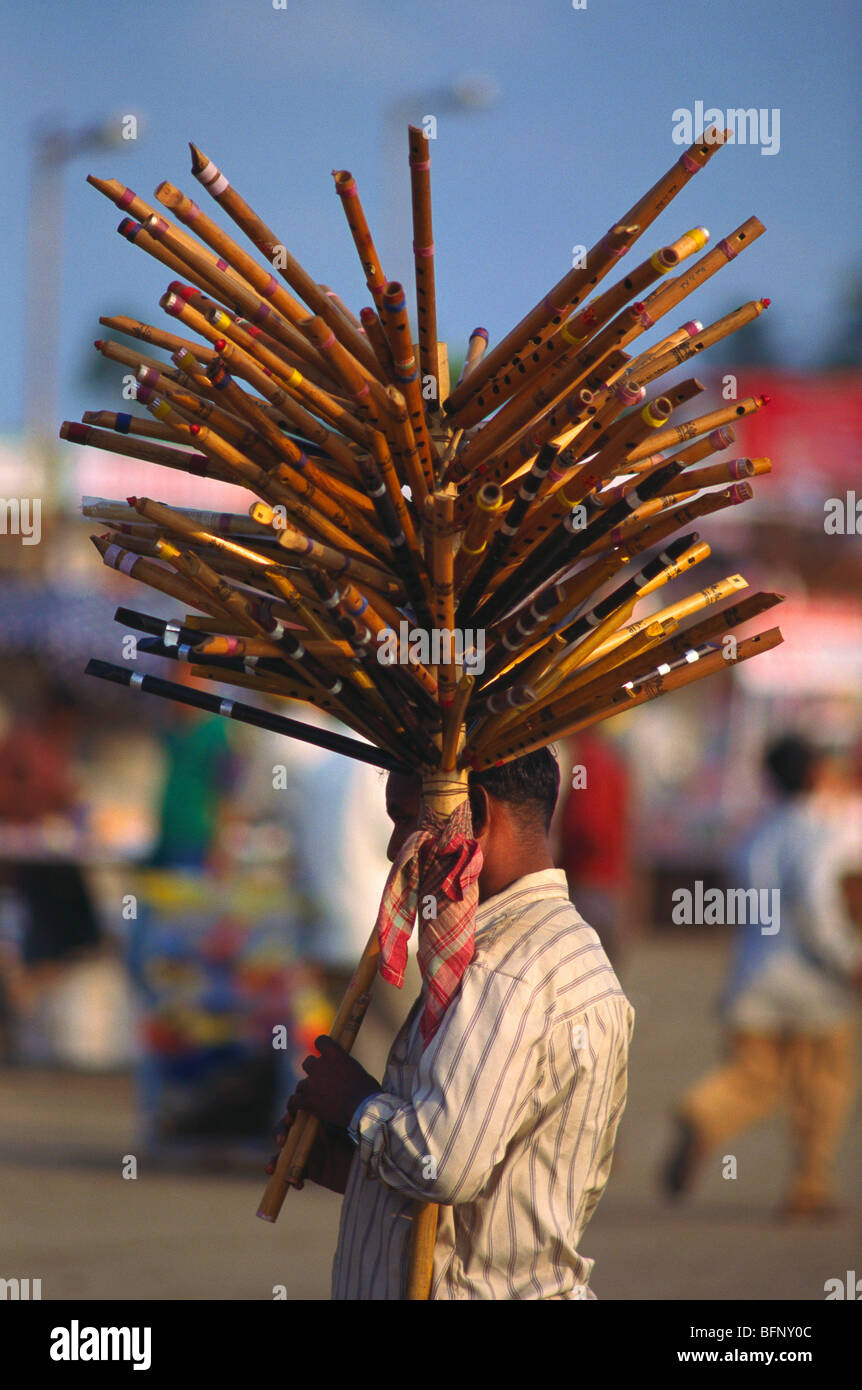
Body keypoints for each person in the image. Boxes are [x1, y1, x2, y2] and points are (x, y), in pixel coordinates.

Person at [267, 748, 634, 1300]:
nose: (395, 848)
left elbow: (442, 1165)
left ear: (475, 815)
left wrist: (356, 1103)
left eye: (405, 820)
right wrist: (355, 1168)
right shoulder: (562, 947)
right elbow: (496, 1195)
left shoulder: (507, 970)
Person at [662, 736, 862, 1218]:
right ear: (815, 774)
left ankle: (702, 1115)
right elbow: (818, 908)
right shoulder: (825, 836)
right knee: (821, 1089)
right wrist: (848, 959)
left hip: (754, 979)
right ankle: (810, 1185)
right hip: (815, 985)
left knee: (752, 1078)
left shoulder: (753, 836)